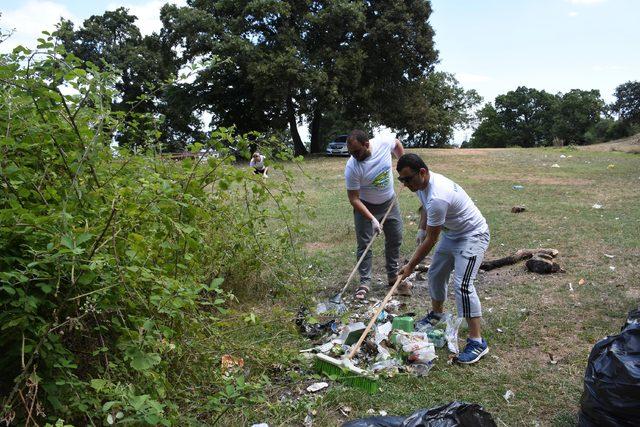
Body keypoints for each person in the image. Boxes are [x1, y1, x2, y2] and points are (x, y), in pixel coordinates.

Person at [396, 153, 490, 364]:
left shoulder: (438, 195)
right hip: (453, 234)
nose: (405, 184)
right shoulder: (421, 185)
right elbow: (425, 208)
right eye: (401, 180)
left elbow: (431, 240)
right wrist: (421, 227)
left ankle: (477, 341)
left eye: (407, 179)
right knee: (436, 274)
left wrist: (410, 266)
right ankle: (436, 314)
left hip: (473, 235)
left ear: (422, 172)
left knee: (463, 285)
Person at [345, 130, 408, 300]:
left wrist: (404, 168)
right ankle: (364, 282)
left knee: (395, 238)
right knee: (364, 245)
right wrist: (372, 218)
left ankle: (393, 276)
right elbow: (353, 199)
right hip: (365, 206)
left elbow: (396, 144)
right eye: (350, 153)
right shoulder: (352, 167)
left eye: (357, 151)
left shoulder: (382, 142)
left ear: (366, 144)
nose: (354, 156)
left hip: (389, 202)